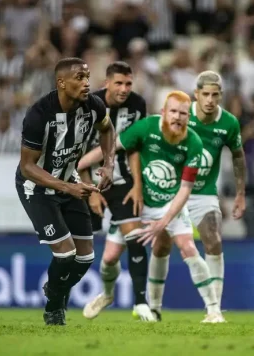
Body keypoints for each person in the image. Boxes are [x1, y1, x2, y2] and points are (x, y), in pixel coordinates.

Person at [78, 90, 225, 323]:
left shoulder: (194, 143)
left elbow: (186, 189)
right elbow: (112, 147)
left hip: (170, 204)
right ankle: (107, 295)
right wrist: (83, 163)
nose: (178, 117)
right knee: (109, 258)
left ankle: (213, 310)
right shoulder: (146, 127)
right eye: (174, 112)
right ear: (163, 113)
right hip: (139, 203)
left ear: (189, 118)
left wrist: (163, 222)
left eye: (183, 114)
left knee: (188, 247)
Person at [15, 57, 116, 326]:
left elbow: (107, 128)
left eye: (87, 76)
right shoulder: (39, 115)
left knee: (85, 258)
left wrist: (108, 163)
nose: (86, 83)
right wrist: (68, 187)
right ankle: (54, 309)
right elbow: (27, 166)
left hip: (69, 183)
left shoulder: (93, 105)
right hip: (36, 187)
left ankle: (55, 291)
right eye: (79, 78)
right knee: (65, 253)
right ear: (61, 83)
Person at [145, 71, 246, 317]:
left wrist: (241, 193)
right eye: (206, 94)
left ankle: (214, 311)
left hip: (204, 193)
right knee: (161, 246)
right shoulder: (181, 114)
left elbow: (238, 156)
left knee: (213, 240)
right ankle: (154, 307)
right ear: (196, 95)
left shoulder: (229, 123)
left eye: (215, 95)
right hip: (173, 189)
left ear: (221, 95)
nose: (210, 100)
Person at [79, 61, 154, 321]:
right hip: (87, 178)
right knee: (106, 257)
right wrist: (92, 191)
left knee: (134, 238)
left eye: (128, 83)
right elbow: (76, 152)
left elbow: (134, 146)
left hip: (123, 180)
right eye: (119, 83)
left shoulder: (138, 105)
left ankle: (141, 303)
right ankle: (105, 295)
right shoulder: (87, 104)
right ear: (106, 83)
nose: (124, 89)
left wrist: (137, 184)